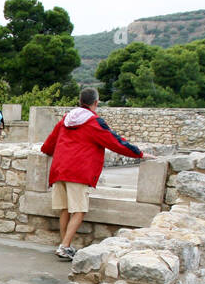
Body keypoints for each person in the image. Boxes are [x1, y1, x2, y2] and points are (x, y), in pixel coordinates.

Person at [40, 86, 152, 261]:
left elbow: (48, 145)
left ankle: (64, 244)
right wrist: (139, 153)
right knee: (79, 210)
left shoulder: (66, 119)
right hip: (78, 171)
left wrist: (47, 151)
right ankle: (65, 246)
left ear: (80, 101)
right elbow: (115, 141)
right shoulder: (93, 122)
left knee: (65, 209)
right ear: (95, 103)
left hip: (59, 169)